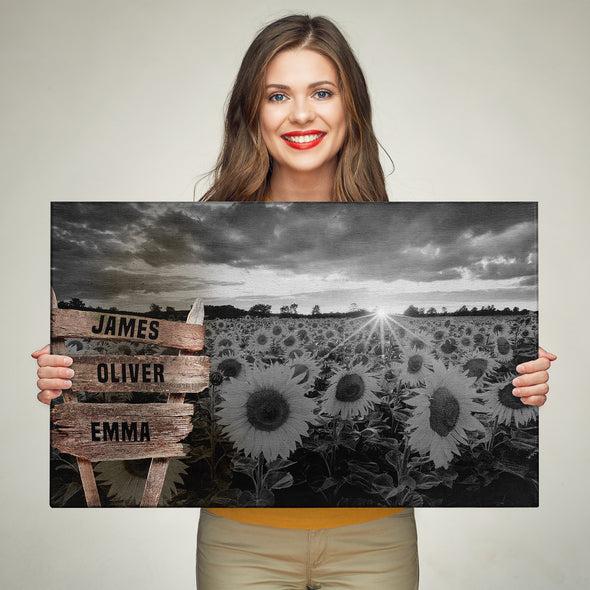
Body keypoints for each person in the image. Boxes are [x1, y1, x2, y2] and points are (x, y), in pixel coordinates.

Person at [32, 14, 556, 590]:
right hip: (240, 540)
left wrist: (518, 383)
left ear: (351, 108)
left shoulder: (392, 244)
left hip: (375, 538)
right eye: (277, 94)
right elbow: (156, 382)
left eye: (322, 92)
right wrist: (74, 379)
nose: (301, 113)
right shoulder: (199, 252)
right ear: (250, 114)